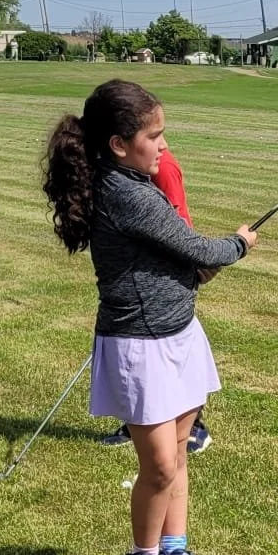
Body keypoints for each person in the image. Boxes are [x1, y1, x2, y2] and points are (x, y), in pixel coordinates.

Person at [42, 80, 257, 555]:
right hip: (139, 345)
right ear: (119, 144)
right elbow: (188, 242)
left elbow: (166, 255)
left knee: (179, 454)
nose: (163, 146)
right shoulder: (128, 194)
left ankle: (175, 552)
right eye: (154, 136)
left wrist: (190, 271)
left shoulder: (135, 185)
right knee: (160, 464)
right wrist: (237, 244)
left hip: (178, 333)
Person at [97, 138, 212, 455]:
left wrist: (192, 266)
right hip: (144, 285)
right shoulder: (120, 177)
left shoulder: (163, 169)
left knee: (174, 352)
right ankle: (142, 422)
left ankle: (193, 426)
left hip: (174, 269)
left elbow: (176, 229)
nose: (159, 144)